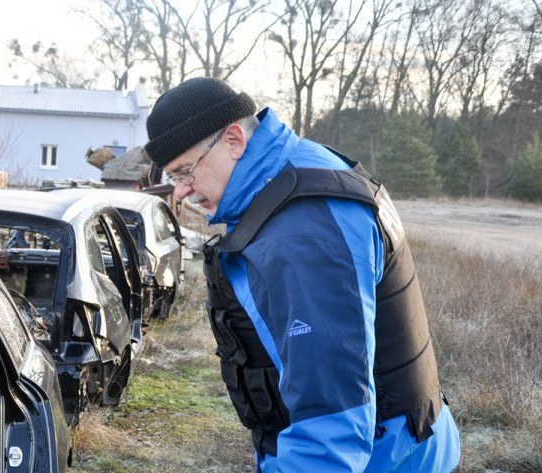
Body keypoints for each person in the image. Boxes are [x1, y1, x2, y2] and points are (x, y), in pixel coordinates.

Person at [144, 77, 461, 472]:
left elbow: (331, 427)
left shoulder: (303, 233)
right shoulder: (297, 171)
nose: (181, 192)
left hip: (383, 458)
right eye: (174, 178)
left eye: (185, 172)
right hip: (405, 443)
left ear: (234, 140)